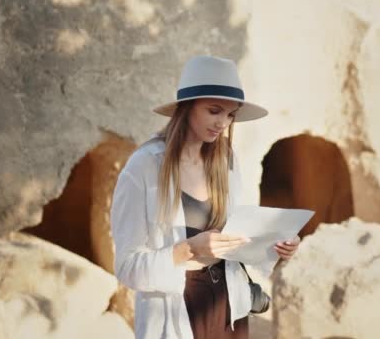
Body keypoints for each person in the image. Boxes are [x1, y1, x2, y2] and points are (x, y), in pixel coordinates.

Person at [110, 55, 300, 339]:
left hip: (229, 307)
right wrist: (188, 249)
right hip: (177, 308)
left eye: (231, 114)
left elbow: (242, 236)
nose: (223, 122)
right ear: (186, 108)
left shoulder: (226, 160)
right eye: (214, 110)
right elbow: (126, 268)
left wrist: (278, 245)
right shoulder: (144, 166)